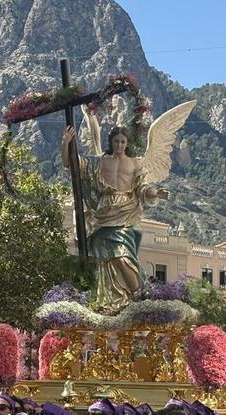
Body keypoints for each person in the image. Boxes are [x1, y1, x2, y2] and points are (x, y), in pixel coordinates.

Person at [62, 126, 167, 313]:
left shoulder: (134, 164)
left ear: (127, 143)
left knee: (122, 257)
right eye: (116, 141)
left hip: (125, 214)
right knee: (104, 260)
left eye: (123, 142)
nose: (119, 145)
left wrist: (155, 193)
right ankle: (111, 300)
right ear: (111, 142)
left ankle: (138, 296)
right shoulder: (99, 162)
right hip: (103, 215)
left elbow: (142, 187)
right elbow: (71, 164)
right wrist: (66, 143)